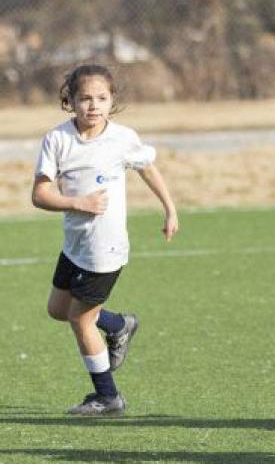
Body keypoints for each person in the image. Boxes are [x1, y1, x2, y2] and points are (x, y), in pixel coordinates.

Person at [32, 64, 178, 416]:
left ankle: (107, 396)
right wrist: (77, 203)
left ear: (113, 101)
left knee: (80, 320)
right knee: (58, 310)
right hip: (75, 244)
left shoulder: (123, 138)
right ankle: (117, 324)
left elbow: (147, 167)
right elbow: (39, 195)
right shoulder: (57, 139)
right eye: (85, 98)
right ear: (70, 100)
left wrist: (170, 209)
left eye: (101, 98)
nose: (93, 105)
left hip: (105, 249)